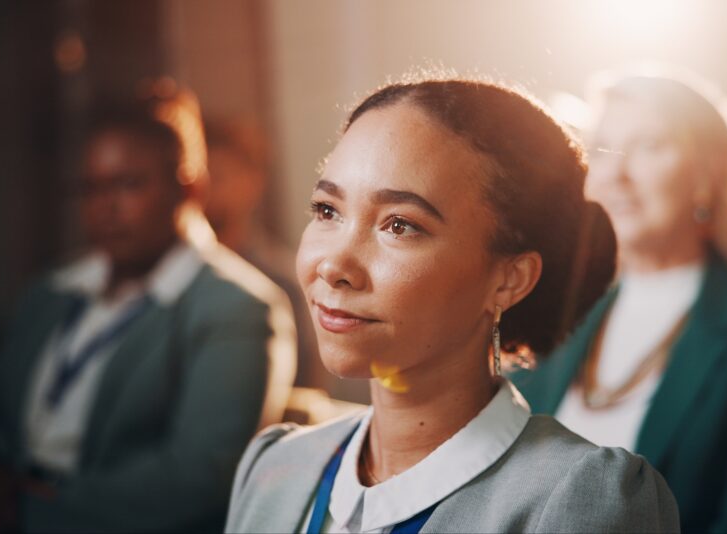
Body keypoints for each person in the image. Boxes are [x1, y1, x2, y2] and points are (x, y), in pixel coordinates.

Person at [224, 77, 679, 533]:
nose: (333, 266)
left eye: (399, 225)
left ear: (509, 279)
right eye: (328, 211)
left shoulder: (582, 498)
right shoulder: (276, 468)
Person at [0, 103, 296, 532]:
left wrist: (27, 514)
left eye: (128, 185)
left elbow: (199, 479)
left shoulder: (239, 306)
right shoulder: (52, 292)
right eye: (90, 189)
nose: (104, 207)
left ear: (189, 190)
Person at [511, 70, 727, 532]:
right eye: (604, 148)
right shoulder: (556, 318)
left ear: (708, 175)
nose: (617, 174)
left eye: (648, 147)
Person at [200, 118, 323, 393]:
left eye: (217, 176)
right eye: (200, 176)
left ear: (253, 182)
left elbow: (306, 390)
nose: (204, 191)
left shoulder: (281, 280)